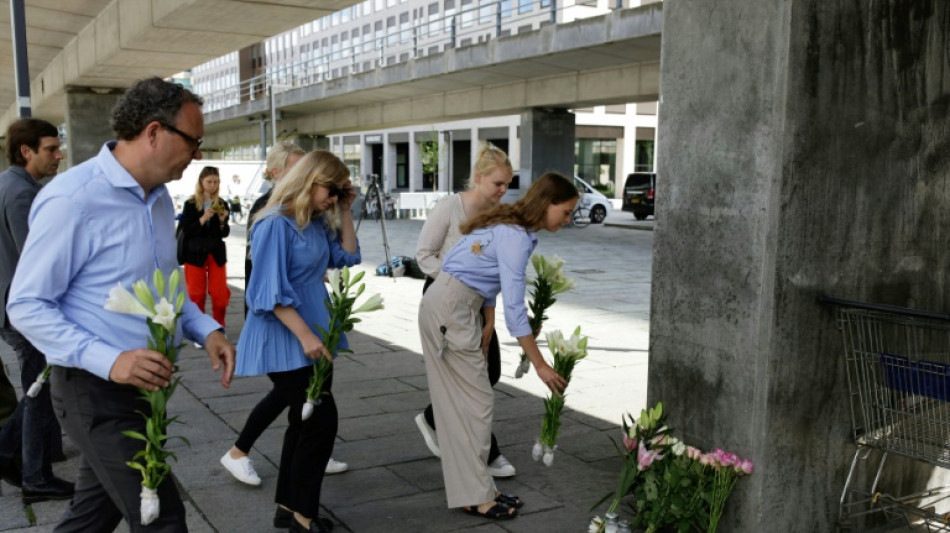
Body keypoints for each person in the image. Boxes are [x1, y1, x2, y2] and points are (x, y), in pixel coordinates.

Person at [7, 77, 236, 532]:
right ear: (154, 132)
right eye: (194, 141)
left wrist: (204, 328)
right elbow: (27, 304)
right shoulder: (73, 198)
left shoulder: (155, 200)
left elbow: (164, 288)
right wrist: (112, 360)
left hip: (141, 387)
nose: (199, 155)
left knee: (92, 516)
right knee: (162, 518)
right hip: (93, 388)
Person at [418, 171, 578, 520]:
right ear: (546, 204)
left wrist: (486, 323)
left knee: (469, 405)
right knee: (473, 405)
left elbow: (481, 272)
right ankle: (475, 495)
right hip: (451, 308)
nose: (568, 220)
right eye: (565, 212)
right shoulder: (516, 235)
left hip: (453, 306)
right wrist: (539, 363)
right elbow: (516, 310)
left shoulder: (513, 227)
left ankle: (480, 490)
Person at [234, 150, 359, 533]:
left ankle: (289, 508)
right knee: (321, 422)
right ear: (309, 179)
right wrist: (306, 336)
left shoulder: (316, 221)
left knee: (303, 423)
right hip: (286, 333)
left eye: (340, 191)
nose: (334, 197)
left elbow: (349, 257)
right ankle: (304, 514)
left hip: (312, 328)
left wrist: (347, 211)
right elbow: (267, 294)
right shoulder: (273, 224)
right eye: (332, 188)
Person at [413, 144, 516, 478]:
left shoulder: (498, 217)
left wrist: (490, 320)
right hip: (444, 299)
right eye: (497, 183)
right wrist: (455, 278)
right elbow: (424, 254)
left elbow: (494, 270)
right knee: (469, 376)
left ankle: (432, 417)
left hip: (478, 303)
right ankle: (487, 452)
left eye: (507, 185)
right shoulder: (450, 207)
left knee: (490, 370)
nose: (503, 191)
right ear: (478, 177)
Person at [0, 118, 71, 501]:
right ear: (26, 151)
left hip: (10, 303)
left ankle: (19, 460)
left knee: (37, 386)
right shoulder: (21, 193)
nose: (58, 155)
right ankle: (34, 478)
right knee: (38, 391)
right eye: (50, 149)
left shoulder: (9, 183)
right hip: (23, 308)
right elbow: (36, 259)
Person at [179, 166, 231, 333]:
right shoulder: (191, 203)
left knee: (220, 296)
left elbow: (224, 233)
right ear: (201, 182)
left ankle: (218, 325)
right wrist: (203, 218)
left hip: (216, 252)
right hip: (195, 253)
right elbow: (188, 230)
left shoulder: (221, 203)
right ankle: (199, 330)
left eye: (216, 182)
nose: (212, 185)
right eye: (209, 181)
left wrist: (223, 221)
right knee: (196, 294)